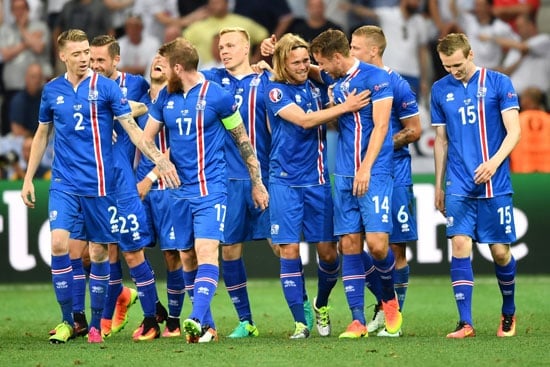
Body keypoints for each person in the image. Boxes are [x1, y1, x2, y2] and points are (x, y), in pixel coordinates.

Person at [20, 28, 178, 344]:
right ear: (63, 55)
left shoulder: (117, 87)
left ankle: (145, 317)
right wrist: (28, 177)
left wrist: (158, 161)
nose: (88, 61)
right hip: (66, 183)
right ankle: (74, 320)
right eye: (80, 54)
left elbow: (140, 121)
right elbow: (41, 134)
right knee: (65, 247)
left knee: (120, 253)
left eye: (92, 56)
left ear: (114, 60)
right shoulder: (52, 91)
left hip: (110, 185)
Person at [142, 37, 269, 343]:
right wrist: (160, 160)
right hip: (177, 192)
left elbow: (243, 141)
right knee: (187, 257)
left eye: (164, 64)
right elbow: (145, 139)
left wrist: (257, 182)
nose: (159, 69)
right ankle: (208, 327)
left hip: (211, 189)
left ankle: (195, 317)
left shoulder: (218, 97)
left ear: (177, 67)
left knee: (207, 250)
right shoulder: (164, 99)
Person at [265, 32, 370, 339]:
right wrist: (345, 107)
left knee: (328, 254)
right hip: (284, 182)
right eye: (295, 61)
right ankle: (300, 322)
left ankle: (321, 302)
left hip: (318, 181)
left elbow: (326, 71)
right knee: (289, 250)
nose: (301, 66)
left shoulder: (316, 86)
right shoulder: (274, 91)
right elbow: (305, 121)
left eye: (305, 61)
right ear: (283, 63)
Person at [309, 29, 401, 339]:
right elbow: (312, 72)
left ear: (336, 57)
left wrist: (365, 168)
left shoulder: (377, 78)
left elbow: (382, 126)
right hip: (343, 172)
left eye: (323, 62)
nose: (320, 68)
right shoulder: (336, 80)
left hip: (372, 172)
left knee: (376, 246)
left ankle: (389, 301)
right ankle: (358, 320)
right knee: (348, 244)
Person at [431, 33, 520, 338]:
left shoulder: (499, 83)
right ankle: (465, 322)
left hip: (495, 182)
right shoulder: (439, 90)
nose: (452, 71)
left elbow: (514, 131)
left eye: (456, 64)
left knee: (499, 252)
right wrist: (439, 185)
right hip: (458, 182)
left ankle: (508, 311)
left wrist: (494, 162)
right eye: (446, 66)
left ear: (470, 54)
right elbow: (440, 141)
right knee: (459, 244)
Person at [344, 25, 421, 337]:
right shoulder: (352, 80)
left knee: (394, 248)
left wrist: (378, 150)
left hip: (395, 172)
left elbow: (414, 129)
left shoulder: (397, 83)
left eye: (355, 48)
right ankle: (382, 304)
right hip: (357, 172)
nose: (351, 53)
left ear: (373, 51)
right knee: (353, 242)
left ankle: (394, 317)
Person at [200, 27, 271, 339]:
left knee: (284, 248)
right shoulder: (211, 80)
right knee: (229, 250)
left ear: (247, 48)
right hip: (227, 178)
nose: (224, 51)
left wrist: (273, 61)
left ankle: (304, 312)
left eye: (230, 45)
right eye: (220, 46)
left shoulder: (265, 79)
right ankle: (246, 321)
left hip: (265, 176)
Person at [135, 53, 185, 338]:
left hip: (165, 185)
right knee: (134, 251)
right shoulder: (140, 98)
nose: (157, 59)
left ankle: (174, 321)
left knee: (171, 254)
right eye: (155, 57)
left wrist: (150, 177)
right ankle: (154, 310)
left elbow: (177, 146)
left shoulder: (175, 101)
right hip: (139, 187)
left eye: (164, 60)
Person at [340, 0, 431, 100]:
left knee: (410, 111)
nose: (417, 4)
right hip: (390, 72)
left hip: (413, 74)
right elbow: (368, 12)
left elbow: (422, 52)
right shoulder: (389, 14)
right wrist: (351, 7)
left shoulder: (420, 21)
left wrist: (424, 80)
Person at [0, 0, 52, 135]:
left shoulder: (40, 26)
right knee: (10, 128)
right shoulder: (5, 30)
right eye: (16, 9)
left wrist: (22, 30)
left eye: (22, 8)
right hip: (13, 86)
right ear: (11, 12)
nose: (19, 12)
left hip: (37, 88)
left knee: (40, 126)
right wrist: (29, 41)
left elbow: (39, 47)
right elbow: (5, 54)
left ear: (28, 10)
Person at [182, 0, 269, 68]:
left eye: (217, 2)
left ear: (227, 4)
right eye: (211, 3)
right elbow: (183, 44)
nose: (213, 5)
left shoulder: (243, 22)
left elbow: (263, 36)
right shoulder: (197, 26)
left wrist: (256, 58)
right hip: (208, 72)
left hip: (240, 71)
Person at [510, 86, 550, 172]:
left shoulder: (516, 120)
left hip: (521, 171)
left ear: (526, 100)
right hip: (547, 171)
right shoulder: (548, 119)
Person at [9, 62, 44, 137]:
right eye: (33, 77)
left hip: (45, 138)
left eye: (39, 77)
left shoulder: (47, 98)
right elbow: (16, 130)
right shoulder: (18, 100)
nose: (37, 81)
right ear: (26, 78)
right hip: (25, 139)